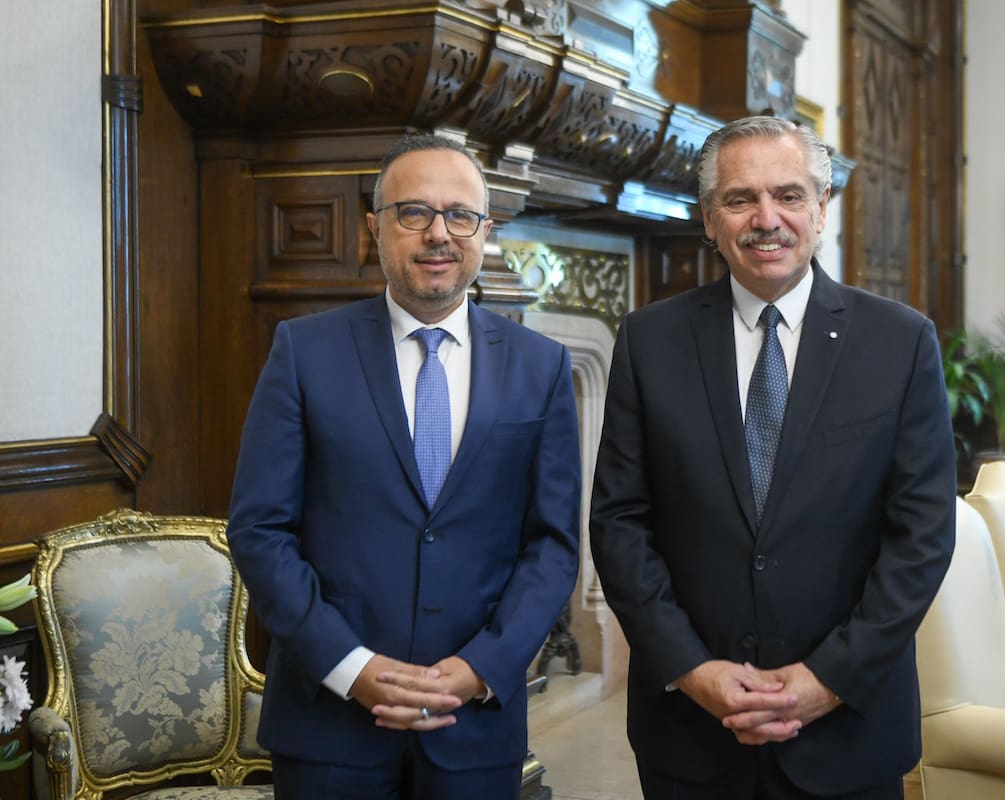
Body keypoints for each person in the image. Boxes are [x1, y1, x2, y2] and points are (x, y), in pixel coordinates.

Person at [590, 116, 956, 799]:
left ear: (822, 209)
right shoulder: (648, 341)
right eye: (739, 199)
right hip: (690, 731)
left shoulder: (901, 343)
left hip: (848, 728)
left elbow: (923, 537)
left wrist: (827, 680)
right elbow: (619, 523)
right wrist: (692, 669)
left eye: (789, 196)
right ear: (708, 219)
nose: (767, 219)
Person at [227, 133, 581, 800]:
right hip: (329, 727)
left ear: (486, 230)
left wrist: (483, 666)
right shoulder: (304, 352)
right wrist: (350, 666)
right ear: (375, 229)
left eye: (460, 215)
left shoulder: (541, 366)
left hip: (474, 726)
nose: (438, 234)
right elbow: (259, 531)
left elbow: (554, 545)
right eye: (414, 212)